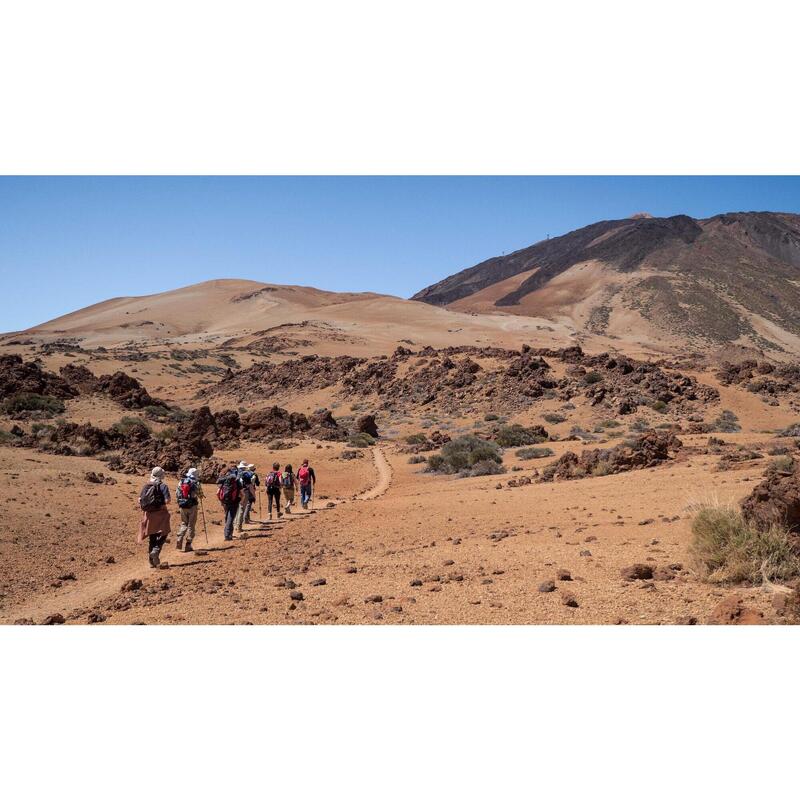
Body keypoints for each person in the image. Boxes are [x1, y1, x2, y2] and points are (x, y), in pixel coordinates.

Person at [137, 466, 171, 568]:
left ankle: (151, 561)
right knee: (164, 532)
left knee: (152, 536)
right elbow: (167, 500)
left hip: (149, 514)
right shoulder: (163, 486)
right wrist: (160, 504)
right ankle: (156, 550)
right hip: (161, 513)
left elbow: (139, 500)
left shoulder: (146, 485)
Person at [175, 467, 203, 552]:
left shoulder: (181, 481)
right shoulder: (196, 483)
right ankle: (188, 544)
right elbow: (200, 495)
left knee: (184, 523)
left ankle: (179, 537)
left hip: (182, 505)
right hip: (192, 506)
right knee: (191, 525)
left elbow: (177, 493)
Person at [216, 462, 242, 541]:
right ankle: (227, 535)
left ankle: (229, 533)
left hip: (225, 500)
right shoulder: (236, 479)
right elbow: (241, 492)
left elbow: (217, 492)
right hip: (234, 501)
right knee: (231, 517)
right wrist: (241, 499)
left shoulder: (224, 479)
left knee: (228, 516)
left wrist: (221, 500)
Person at [234, 460, 253, 534]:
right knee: (242, 508)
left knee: (237, 508)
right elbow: (250, 485)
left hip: (236, 492)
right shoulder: (246, 474)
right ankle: (239, 526)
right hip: (244, 492)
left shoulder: (236, 472)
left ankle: (235, 525)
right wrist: (253, 494)